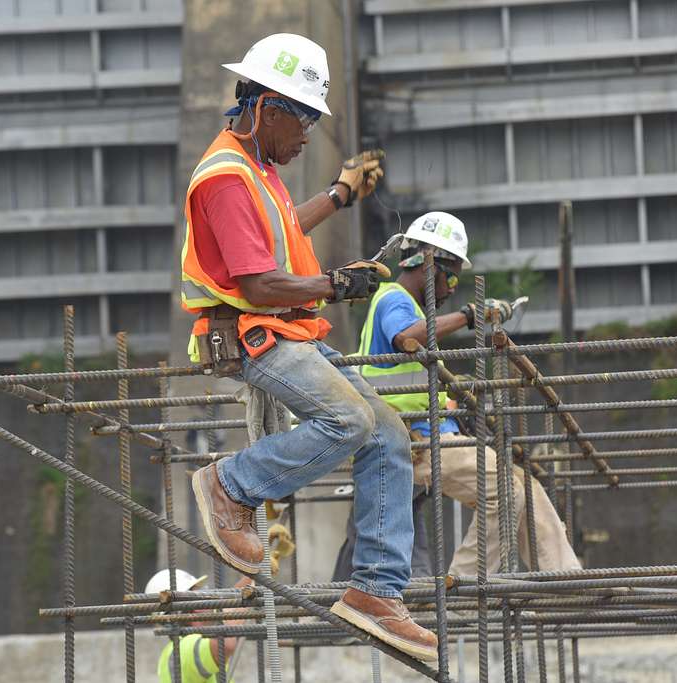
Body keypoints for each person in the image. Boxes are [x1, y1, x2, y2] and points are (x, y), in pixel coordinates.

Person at [180, 33, 437, 661]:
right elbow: (259, 282)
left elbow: (281, 225)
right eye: (305, 121)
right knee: (348, 418)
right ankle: (229, 485)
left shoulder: (257, 168)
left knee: (389, 434)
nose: (308, 137)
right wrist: (335, 284)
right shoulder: (224, 178)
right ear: (269, 109)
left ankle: (376, 590)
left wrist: (343, 192)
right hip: (252, 334)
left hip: (287, 330)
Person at [336, 211, 582, 578]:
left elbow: (412, 378)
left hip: (426, 436)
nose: (452, 287)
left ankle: (566, 578)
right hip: (410, 441)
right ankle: (463, 583)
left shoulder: (410, 309)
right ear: (426, 262)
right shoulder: (393, 300)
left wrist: (452, 402)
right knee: (506, 492)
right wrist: (472, 315)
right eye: (450, 275)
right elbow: (411, 336)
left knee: (525, 487)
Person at [146, 568, 249, 683]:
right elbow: (225, 644)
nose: (205, 605)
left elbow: (228, 606)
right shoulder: (182, 648)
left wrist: (255, 575)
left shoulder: (190, 643)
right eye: (196, 600)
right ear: (181, 613)